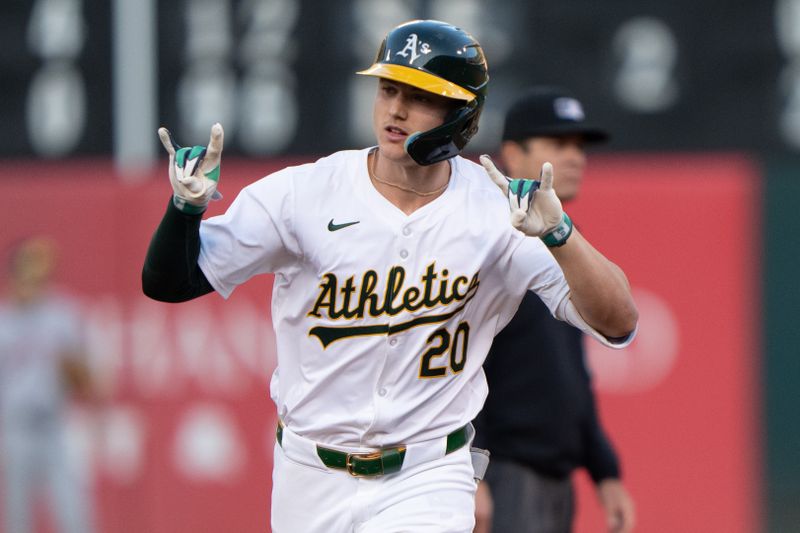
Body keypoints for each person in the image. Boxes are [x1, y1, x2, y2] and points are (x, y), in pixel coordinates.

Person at [141, 20, 638, 533]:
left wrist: (560, 234)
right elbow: (170, 282)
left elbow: (619, 322)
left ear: (460, 113)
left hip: (428, 473)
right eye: (388, 88)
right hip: (308, 475)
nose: (396, 110)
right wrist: (184, 209)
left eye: (420, 96)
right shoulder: (304, 193)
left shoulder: (499, 211)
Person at [472, 87, 636, 533]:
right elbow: (457, 363)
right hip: (502, 469)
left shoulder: (562, 239)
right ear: (511, 152)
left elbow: (572, 372)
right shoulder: (484, 236)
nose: (575, 157)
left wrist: (604, 469)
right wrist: (473, 472)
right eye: (558, 144)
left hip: (552, 477)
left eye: (579, 147)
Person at [0, 236, 95, 533]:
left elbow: (89, 383)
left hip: (55, 426)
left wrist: (73, 366)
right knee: (18, 521)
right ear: (15, 273)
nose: (36, 275)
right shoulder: (3, 321)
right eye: (29, 266)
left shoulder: (62, 315)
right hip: (15, 428)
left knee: (75, 518)